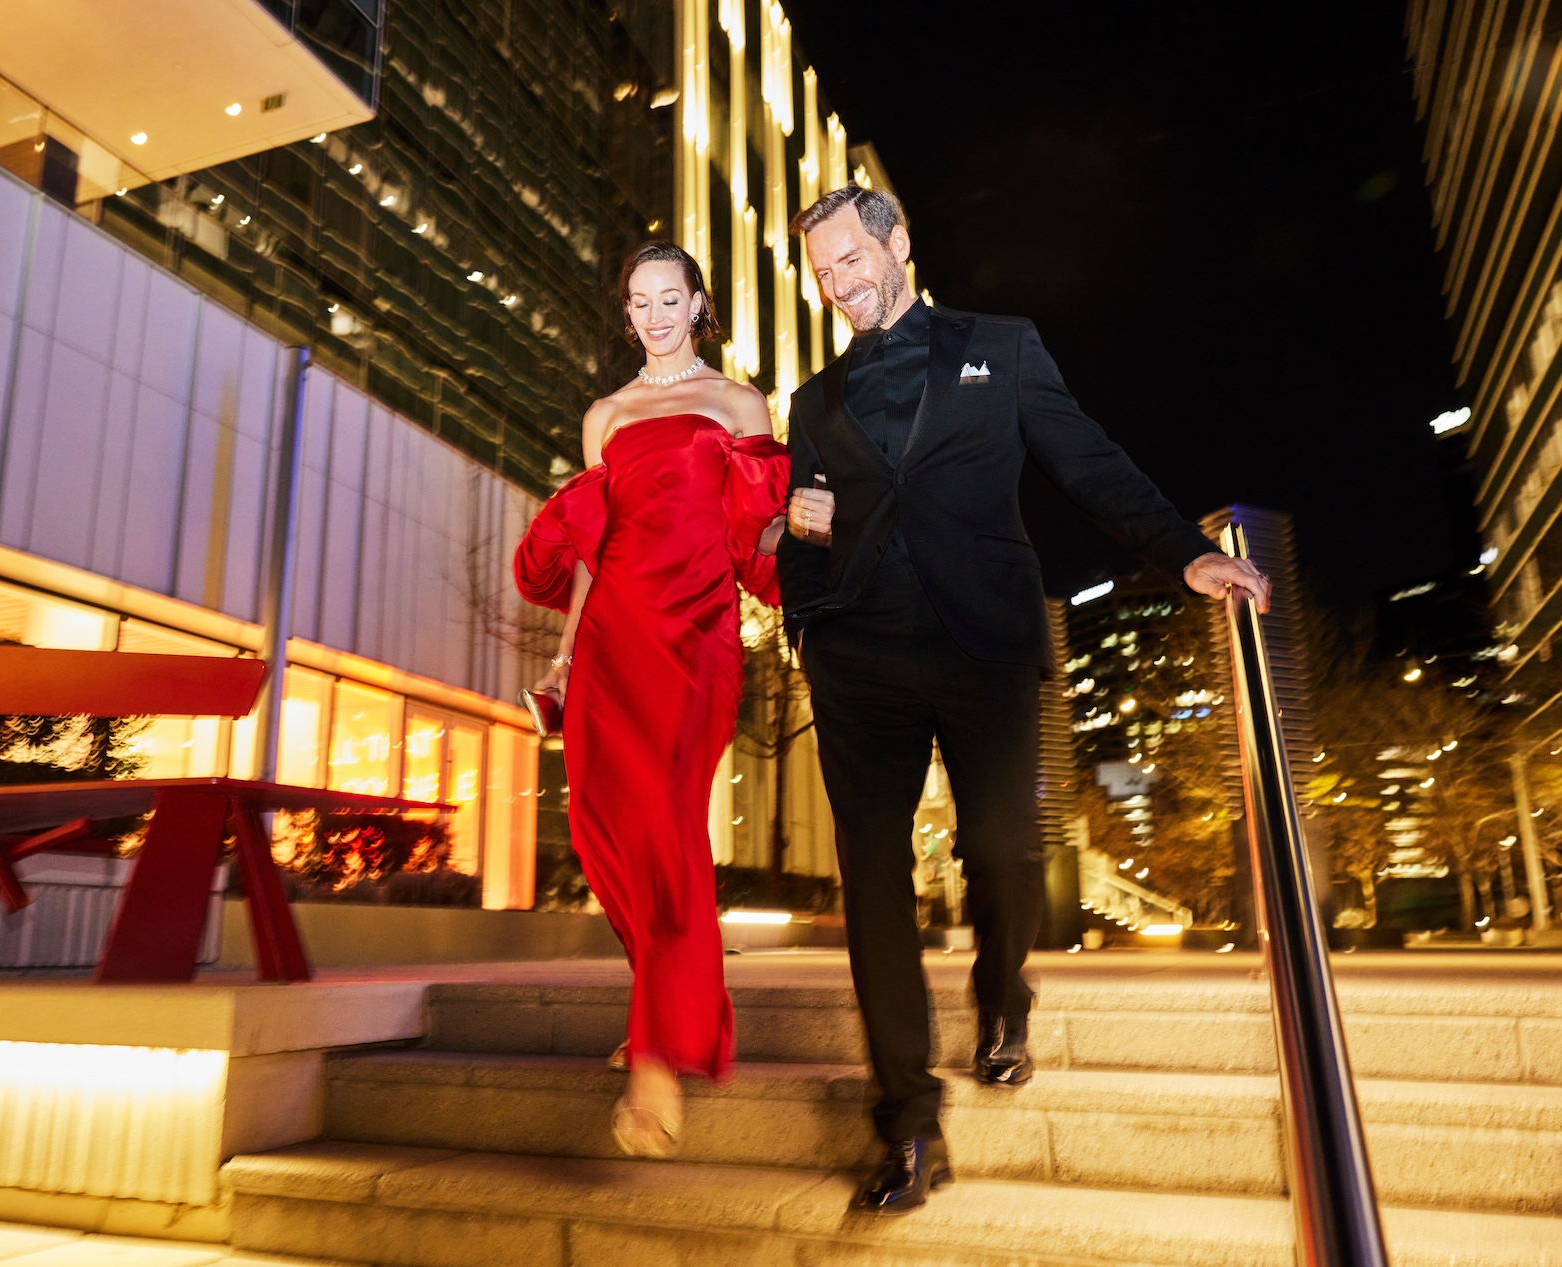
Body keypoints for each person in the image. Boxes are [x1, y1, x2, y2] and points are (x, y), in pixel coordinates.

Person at [777, 186, 1270, 1214]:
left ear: (898, 242)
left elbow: (1087, 461)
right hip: (860, 655)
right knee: (872, 880)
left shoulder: (997, 347)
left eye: (851, 260)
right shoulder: (815, 402)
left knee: (1003, 848)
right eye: (822, 273)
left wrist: (1184, 553)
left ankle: (1002, 995)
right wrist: (806, 616)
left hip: (982, 644)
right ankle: (908, 1123)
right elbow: (807, 526)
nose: (839, 284)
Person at [514, 241, 790, 1159]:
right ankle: (664, 1004)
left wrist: (812, 529)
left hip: (698, 638)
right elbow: (593, 551)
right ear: (627, 314)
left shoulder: (739, 402)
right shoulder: (606, 416)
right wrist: (564, 657)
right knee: (605, 833)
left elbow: (760, 532)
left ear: (697, 303)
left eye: (671, 297)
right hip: (613, 638)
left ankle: (657, 1058)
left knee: (669, 824)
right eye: (641, 300)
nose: (657, 314)